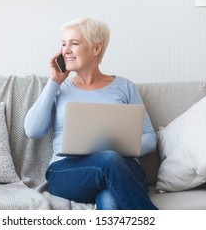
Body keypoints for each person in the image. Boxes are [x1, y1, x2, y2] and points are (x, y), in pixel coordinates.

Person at [24, 17, 158, 210]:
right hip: (68, 171)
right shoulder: (58, 89)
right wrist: (54, 81)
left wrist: (115, 149)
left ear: (96, 49)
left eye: (74, 43)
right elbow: (32, 130)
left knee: (110, 200)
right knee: (108, 160)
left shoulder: (125, 87)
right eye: (63, 44)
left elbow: (150, 138)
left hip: (124, 169)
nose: (66, 50)